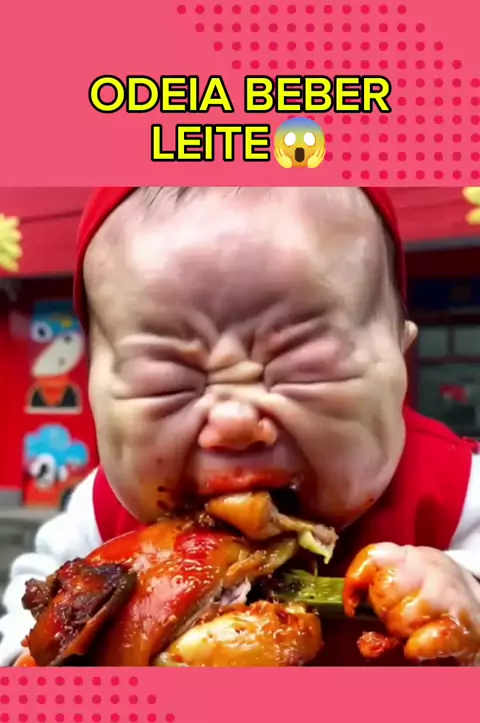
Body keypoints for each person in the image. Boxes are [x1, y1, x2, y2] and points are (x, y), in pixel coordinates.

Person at [2, 186, 480, 666]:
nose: (234, 422)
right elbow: (26, 628)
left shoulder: (459, 494)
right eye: (165, 381)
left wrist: (467, 590)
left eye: (304, 368)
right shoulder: (97, 517)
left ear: (399, 360)